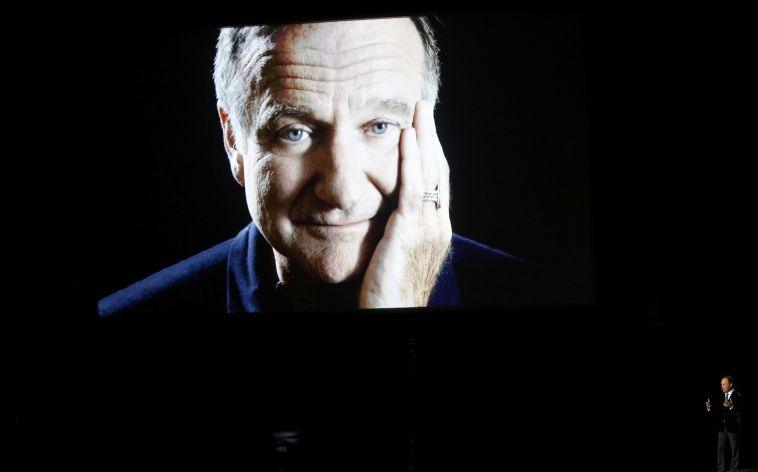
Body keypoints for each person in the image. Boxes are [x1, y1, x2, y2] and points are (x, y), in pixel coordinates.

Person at [98, 16, 552, 315]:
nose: (342, 191)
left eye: (379, 126)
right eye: (295, 131)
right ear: (234, 141)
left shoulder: (538, 298)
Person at [705, 375, 744, 472]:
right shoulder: (721, 396)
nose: (722, 386)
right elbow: (718, 412)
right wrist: (710, 409)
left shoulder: (738, 396)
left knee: (734, 450)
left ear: (731, 384)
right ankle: (720, 471)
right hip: (722, 428)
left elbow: (741, 413)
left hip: (733, 428)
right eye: (721, 384)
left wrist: (731, 407)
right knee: (720, 449)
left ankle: (733, 471)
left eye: (724, 384)